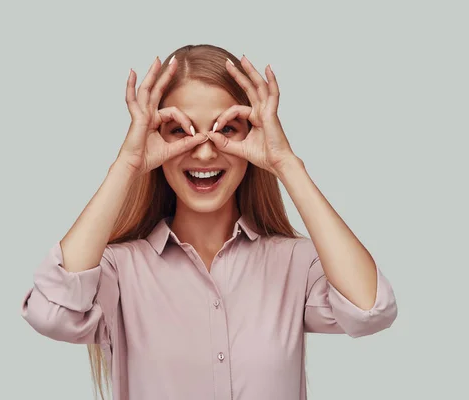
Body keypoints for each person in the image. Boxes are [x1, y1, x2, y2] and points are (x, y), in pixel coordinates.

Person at [21, 44, 398, 400]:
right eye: (180, 131)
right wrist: (127, 165)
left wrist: (285, 164)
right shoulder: (119, 271)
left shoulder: (294, 264)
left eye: (226, 130)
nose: (203, 151)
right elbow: (51, 312)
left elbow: (370, 309)